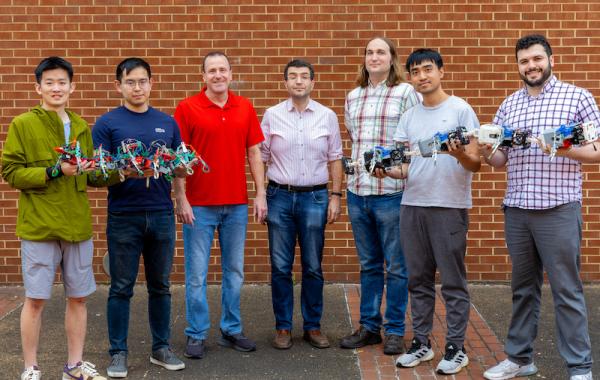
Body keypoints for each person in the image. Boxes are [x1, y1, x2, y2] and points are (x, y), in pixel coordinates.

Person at [482, 34, 599, 380]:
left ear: (550, 59)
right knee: (522, 289)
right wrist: (486, 147)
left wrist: (557, 147)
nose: (531, 66)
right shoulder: (509, 104)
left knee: (567, 290)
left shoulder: (577, 97)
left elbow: (596, 151)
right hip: (517, 208)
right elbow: (501, 159)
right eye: (524, 61)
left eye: (536, 59)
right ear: (517, 65)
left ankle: (579, 367)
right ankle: (520, 359)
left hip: (558, 208)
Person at [1, 57, 107, 380]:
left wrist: (121, 171)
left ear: (72, 87)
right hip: (40, 226)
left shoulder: (80, 126)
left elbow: (92, 175)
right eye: (50, 82)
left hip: (76, 225)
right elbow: (10, 171)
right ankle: (30, 368)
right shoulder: (23, 124)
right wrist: (53, 171)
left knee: (78, 298)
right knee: (35, 299)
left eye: (62, 82)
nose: (56, 88)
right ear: (38, 88)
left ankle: (74, 367)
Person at [386, 49, 481, 375]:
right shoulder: (409, 116)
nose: (422, 76)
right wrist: (386, 172)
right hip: (412, 206)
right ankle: (422, 343)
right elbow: (404, 167)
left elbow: (475, 162)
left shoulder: (460, 110)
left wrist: (458, 156)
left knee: (453, 282)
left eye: (428, 69)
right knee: (418, 280)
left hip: (449, 207)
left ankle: (456, 348)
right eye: (415, 71)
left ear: (441, 71)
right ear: (410, 78)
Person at [92, 57, 186, 377]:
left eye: (142, 81)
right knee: (121, 287)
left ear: (151, 83)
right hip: (123, 216)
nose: (137, 87)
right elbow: (97, 175)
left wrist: (181, 179)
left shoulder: (167, 122)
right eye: (130, 82)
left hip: (160, 214)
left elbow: (179, 167)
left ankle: (161, 348)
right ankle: (118, 353)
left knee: (160, 286)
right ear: (118, 85)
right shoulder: (107, 124)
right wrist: (123, 172)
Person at [174, 51, 267, 359]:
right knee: (197, 274)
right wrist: (182, 198)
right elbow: (180, 160)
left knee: (234, 272)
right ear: (203, 76)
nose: (217, 75)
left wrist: (260, 193)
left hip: (236, 205)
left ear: (230, 73)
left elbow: (254, 153)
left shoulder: (245, 107)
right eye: (211, 70)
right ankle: (196, 333)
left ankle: (231, 329)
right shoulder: (187, 108)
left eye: (222, 69)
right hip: (199, 206)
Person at [339, 37, 420, 355]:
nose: (374, 57)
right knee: (369, 265)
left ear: (392, 59)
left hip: (391, 193)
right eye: (369, 52)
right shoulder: (353, 96)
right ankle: (369, 327)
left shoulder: (406, 93)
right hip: (358, 193)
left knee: (397, 267)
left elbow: (414, 139)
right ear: (364, 59)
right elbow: (353, 138)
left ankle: (396, 331)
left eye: (381, 52)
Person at [260, 59, 343, 350]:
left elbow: (335, 157)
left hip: (315, 198)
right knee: (280, 266)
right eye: (293, 77)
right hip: (279, 196)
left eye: (304, 77)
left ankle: (313, 326)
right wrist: (260, 194)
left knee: (312, 266)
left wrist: (336, 195)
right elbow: (261, 156)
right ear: (285, 83)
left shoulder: (327, 116)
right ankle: (283, 327)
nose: (298, 81)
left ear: (312, 83)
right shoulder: (271, 115)